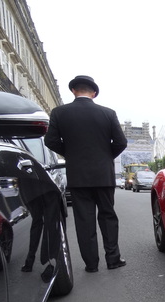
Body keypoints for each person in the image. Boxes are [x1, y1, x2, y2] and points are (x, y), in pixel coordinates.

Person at [45, 75, 128, 272]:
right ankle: (113, 259)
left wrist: (71, 154)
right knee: (108, 216)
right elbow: (121, 142)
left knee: (84, 220)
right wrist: (106, 156)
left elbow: (50, 141)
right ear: (94, 93)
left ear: (73, 91)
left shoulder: (59, 113)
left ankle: (91, 264)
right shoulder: (108, 113)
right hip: (103, 175)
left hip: (78, 175)